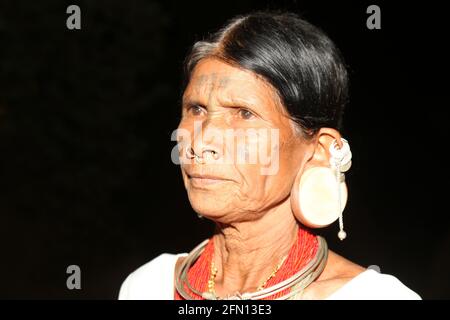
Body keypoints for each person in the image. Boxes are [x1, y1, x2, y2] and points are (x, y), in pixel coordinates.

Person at [119, 11, 421, 300]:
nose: (202, 141)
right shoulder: (148, 286)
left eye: (244, 114)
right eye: (196, 109)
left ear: (319, 150)